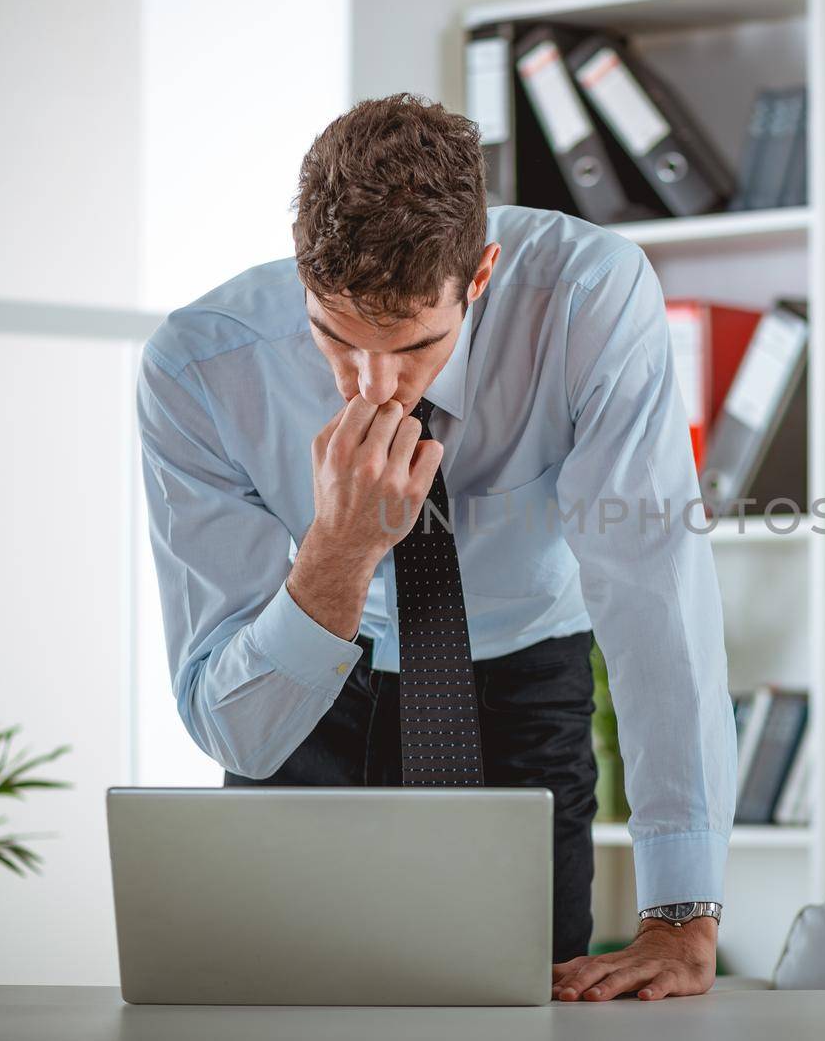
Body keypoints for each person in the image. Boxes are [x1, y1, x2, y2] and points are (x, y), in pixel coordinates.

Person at [136, 93, 736, 1002]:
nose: (371, 386)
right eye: (334, 335)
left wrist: (681, 916)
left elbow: (655, 595)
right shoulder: (197, 371)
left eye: (414, 345)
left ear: (481, 274)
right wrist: (338, 549)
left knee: (520, 1006)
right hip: (310, 685)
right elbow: (240, 736)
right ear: (301, 269)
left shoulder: (590, 301)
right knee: (281, 1011)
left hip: (525, 675)